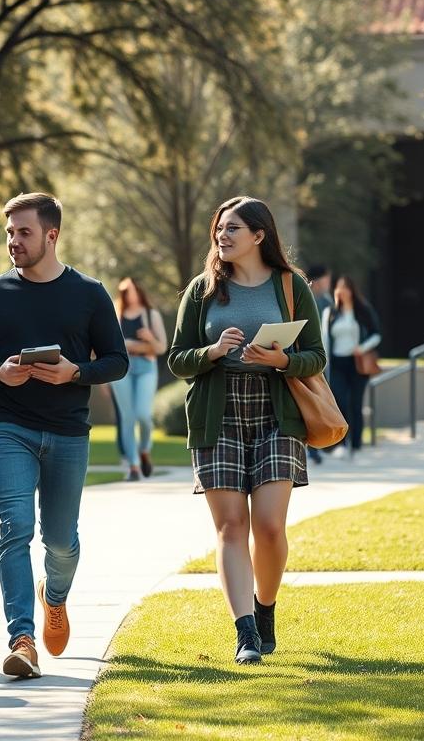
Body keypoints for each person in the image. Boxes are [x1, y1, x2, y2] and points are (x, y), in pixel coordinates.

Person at [0, 192, 128, 679]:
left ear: (51, 235)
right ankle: (22, 638)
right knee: (15, 529)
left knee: (60, 542)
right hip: (8, 425)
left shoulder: (89, 293)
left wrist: (76, 373)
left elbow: (117, 360)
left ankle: (54, 598)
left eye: (23, 232)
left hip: (69, 432)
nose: (13, 241)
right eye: (9, 232)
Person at [166, 196, 325, 665]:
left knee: (270, 527)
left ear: (259, 235)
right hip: (219, 412)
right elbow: (177, 358)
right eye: (219, 227)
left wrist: (282, 360)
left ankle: (265, 608)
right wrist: (212, 352)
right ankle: (245, 633)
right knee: (231, 526)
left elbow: (316, 355)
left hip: (277, 411)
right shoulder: (203, 289)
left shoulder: (291, 286)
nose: (223, 235)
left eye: (233, 227)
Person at [110, 277, 167, 481]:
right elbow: (110, 347)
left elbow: (161, 348)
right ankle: (133, 465)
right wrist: (133, 345)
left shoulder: (151, 315)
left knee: (143, 414)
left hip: (146, 368)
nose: (129, 294)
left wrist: (149, 339)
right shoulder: (116, 315)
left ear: (139, 291)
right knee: (127, 417)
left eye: (132, 290)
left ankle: (144, 450)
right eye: (125, 291)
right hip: (122, 369)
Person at [322, 275, 382, 459]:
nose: (342, 291)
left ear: (351, 291)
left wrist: (362, 347)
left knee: (356, 404)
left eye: (345, 288)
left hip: (358, 363)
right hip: (338, 363)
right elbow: (325, 338)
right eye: (339, 288)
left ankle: (356, 445)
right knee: (339, 401)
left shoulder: (363, 310)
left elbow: (376, 334)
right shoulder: (331, 312)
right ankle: (341, 443)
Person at [303, 265, 332, 465]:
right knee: (310, 403)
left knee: (317, 403)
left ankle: (315, 447)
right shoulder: (309, 299)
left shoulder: (327, 301)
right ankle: (312, 450)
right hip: (306, 360)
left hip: (321, 359)